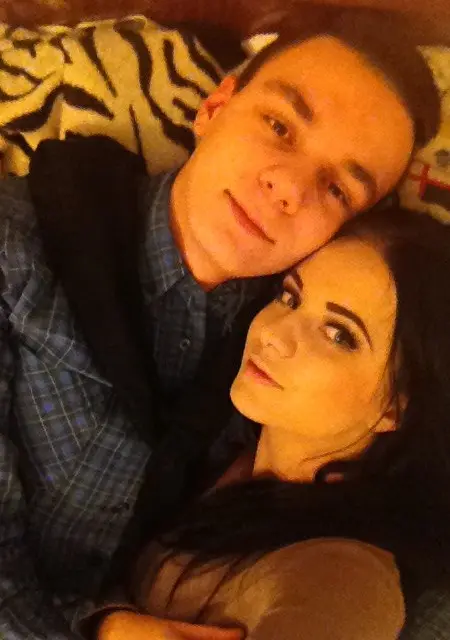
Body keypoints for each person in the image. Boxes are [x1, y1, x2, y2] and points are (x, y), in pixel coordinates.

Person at [0, 11, 440, 639]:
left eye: (339, 189)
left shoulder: (294, 355)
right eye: (279, 126)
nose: (289, 189)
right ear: (214, 107)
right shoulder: (18, 249)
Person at [97, 206, 450, 640]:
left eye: (338, 334)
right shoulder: (231, 446)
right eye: (290, 297)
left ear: (397, 406)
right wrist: (111, 623)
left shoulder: (347, 576)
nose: (274, 334)